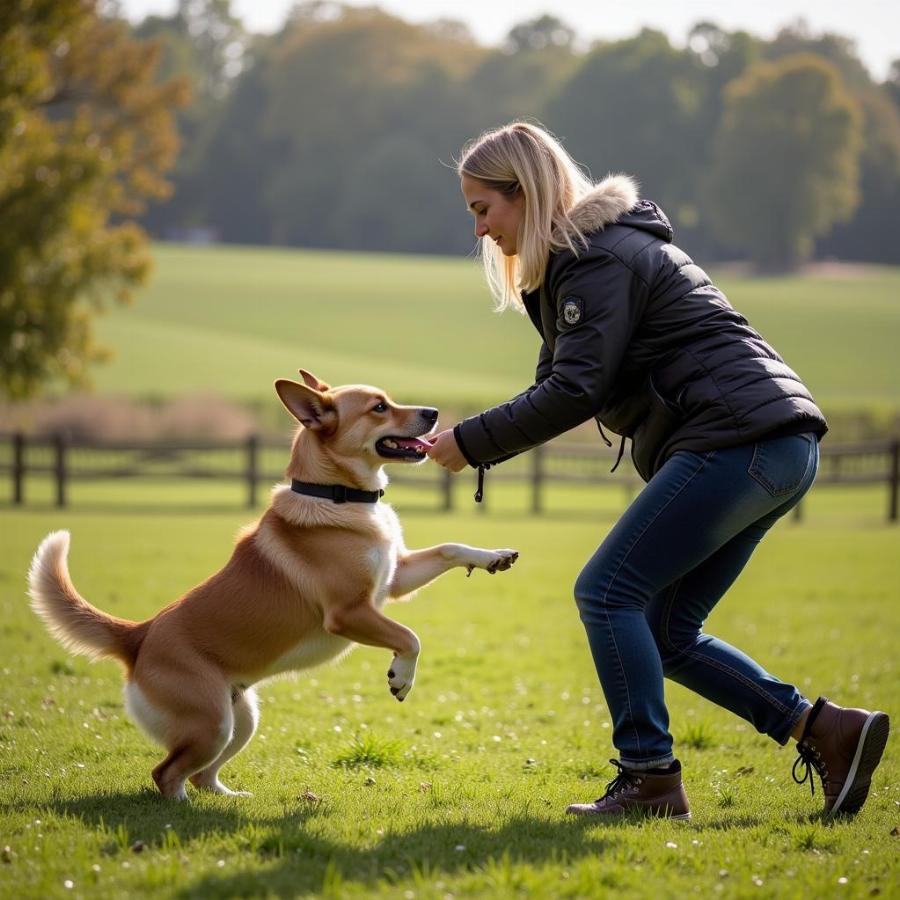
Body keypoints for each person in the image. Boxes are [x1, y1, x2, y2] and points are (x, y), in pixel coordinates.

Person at [426, 121, 889, 820]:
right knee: (666, 630)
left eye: (482, 208)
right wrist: (466, 438)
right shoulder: (584, 262)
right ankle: (827, 730)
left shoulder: (595, 259)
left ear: (525, 193)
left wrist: (473, 441)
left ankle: (649, 779)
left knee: (607, 592)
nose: (481, 230)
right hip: (778, 446)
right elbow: (560, 379)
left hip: (740, 442)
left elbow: (572, 392)